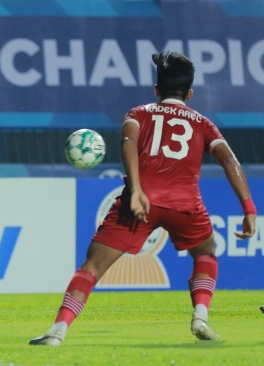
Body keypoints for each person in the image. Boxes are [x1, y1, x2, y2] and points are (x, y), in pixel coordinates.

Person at [30, 51, 257, 346]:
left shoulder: (139, 114)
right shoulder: (203, 123)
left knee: (92, 267)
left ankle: (57, 331)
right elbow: (230, 161)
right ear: (190, 93)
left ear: (157, 90)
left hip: (139, 204)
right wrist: (249, 208)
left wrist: (136, 190)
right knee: (205, 254)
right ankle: (200, 316)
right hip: (185, 205)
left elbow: (129, 143)